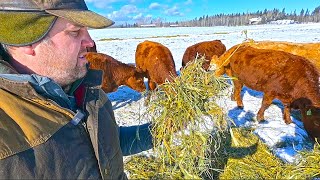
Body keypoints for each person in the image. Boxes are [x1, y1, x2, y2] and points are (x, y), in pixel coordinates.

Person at [0, 0, 153, 179]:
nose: (90, 41)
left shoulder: (88, 90)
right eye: (75, 31)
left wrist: (162, 129)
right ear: (25, 39)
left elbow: (108, 142)